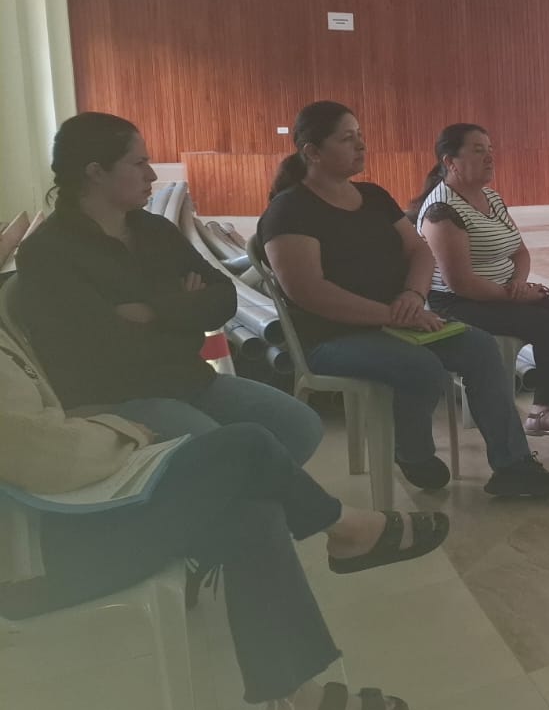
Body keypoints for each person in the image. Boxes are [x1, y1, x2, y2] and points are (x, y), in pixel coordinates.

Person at [0, 317, 446, 710]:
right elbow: (40, 454)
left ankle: (293, 704)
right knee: (245, 447)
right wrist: (122, 430)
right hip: (43, 562)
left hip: (57, 521)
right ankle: (347, 528)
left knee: (252, 511)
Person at [258, 101, 549, 498]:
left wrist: (412, 294)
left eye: (360, 136)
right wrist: (392, 315)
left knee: (479, 347)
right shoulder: (289, 211)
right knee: (420, 366)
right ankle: (413, 453)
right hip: (332, 337)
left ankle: (513, 465)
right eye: (347, 138)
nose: (361, 145)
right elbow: (309, 292)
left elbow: (419, 251)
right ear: (312, 152)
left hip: (400, 320)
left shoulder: (373, 197)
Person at [16, 112, 321, 465]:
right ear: (96, 172)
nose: (152, 175)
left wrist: (153, 311)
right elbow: (103, 350)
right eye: (138, 163)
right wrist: (186, 310)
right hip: (115, 399)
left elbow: (224, 297)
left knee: (299, 426)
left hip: (189, 380)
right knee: (224, 452)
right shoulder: (47, 253)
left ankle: (246, 495)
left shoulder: (155, 231)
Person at [414, 123, 549, 455]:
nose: (490, 157)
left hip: (502, 291)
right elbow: (460, 283)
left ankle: (543, 409)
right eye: (478, 150)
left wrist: (518, 285)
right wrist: (513, 295)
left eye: (490, 149)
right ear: (450, 161)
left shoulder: (490, 197)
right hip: (458, 302)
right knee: (545, 324)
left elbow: (519, 251)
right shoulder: (441, 211)